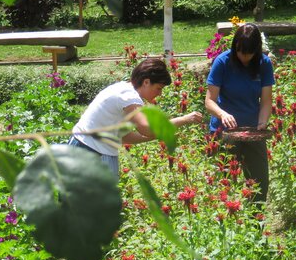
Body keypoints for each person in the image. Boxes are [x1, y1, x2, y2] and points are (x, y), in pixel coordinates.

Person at [68, 57, 202, 178]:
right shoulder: (129, 96)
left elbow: (122, 136)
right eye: (158, 88)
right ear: (146, 82)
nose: (160, 94)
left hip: (83, 148)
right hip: (91, 154)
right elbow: (147, 129)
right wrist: (184, 119)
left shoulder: (122, 89)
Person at [204, 23, 274, 203]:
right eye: (241, 52)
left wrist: (262, 123)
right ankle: (226, 224)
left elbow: (266, 100)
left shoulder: (264, 64)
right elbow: (209, 101)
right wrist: (222, 114)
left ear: (256, 50)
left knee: (259, 183)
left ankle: (256, 224)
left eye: (249, 53)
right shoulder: (222, 61)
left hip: (252, 131)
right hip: (224, 132)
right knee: (224, 184)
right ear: (235, 47)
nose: (244, 57)